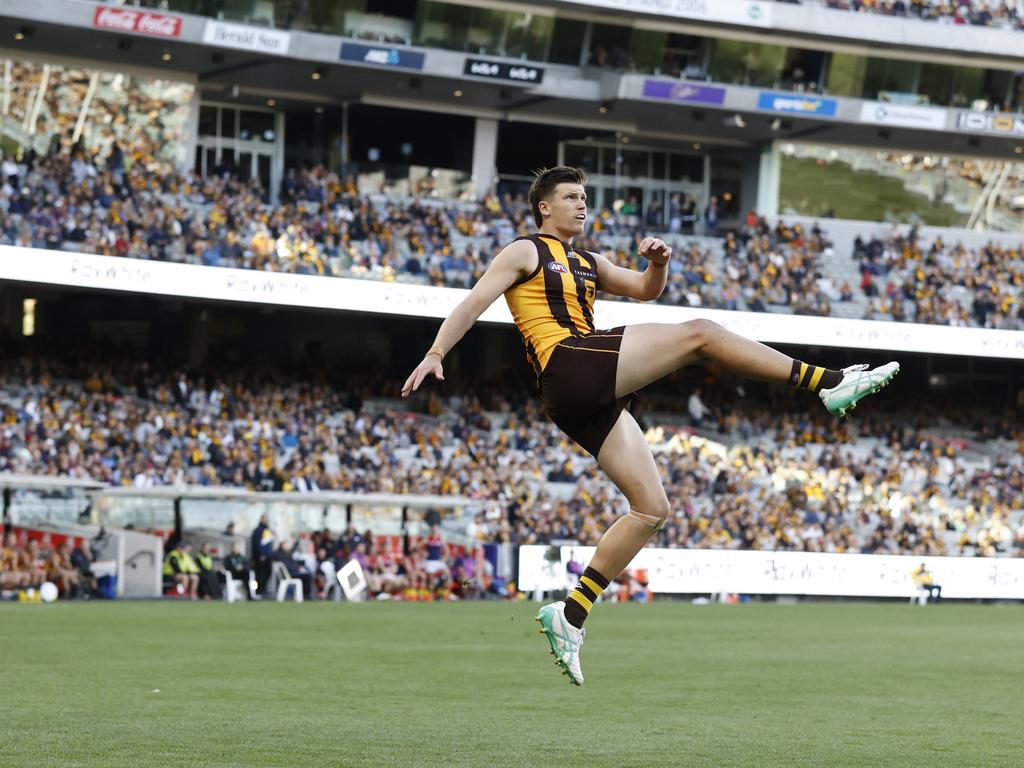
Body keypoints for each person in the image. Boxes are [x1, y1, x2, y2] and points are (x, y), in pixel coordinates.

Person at [401, 165, 900, 686]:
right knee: (702, 332)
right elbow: (474, 301)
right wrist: (436, 351)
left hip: (579, 395)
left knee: (652, 508)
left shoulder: (588, 261)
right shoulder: (524, 250)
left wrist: (659, 264)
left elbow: (644, 290)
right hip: (569, 363)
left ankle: (570, 614)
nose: (581, 205)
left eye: (584, 197)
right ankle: (826, 381)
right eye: (570, 197)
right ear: (543, 207)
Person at [250, 515, 274, 596]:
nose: (267, 521)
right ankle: (257, 590)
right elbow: (257, 544)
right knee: (259, 574)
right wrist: (261, 554)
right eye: (265, 519)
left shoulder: (267, 530)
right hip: (261, 556)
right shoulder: (258, 530)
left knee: (268, 572)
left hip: (268, 556)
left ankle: (263, 588)